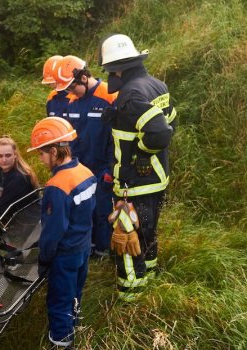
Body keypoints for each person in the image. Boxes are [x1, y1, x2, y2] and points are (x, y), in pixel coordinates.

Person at [100, 34, 175, 301]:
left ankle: (131, 296)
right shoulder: (157, 85)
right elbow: (171, 123)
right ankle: (150, 279)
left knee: (127, 237)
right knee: (148, 232)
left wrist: (142, 155)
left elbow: (159, 132)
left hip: (135, 183)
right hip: (158, 178)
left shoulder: (131, 94)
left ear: (116, 69)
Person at [27, 117, 96, 348]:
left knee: (59, 301)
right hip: (83, 247)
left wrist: (44, 259)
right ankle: (74, 325)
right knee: (76, 292)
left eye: (42, 153)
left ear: (55, 150)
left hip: (64, 255)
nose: (40, 159)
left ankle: (61, 342)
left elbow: (52, 232)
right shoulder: (86, 172)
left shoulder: (57, 186)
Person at [54, 55, 118, 258]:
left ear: (83, 78)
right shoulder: (73, 102)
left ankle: (103, 250)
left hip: (103, 167)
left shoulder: (109, 96)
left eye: (72, 88)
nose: (70, 93)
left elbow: (116, 139)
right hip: (80, 168)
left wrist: (111, 169)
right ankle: (88, 247)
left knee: (103, 210)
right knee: (83, 209)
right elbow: (71, 137)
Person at [0, 136, 39, 221]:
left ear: (15, 155)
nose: (4, 160)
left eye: (8, 155)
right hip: (3, 218)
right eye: (0, 156)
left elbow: (2, 208)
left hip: (22, 224)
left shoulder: (21, 178)